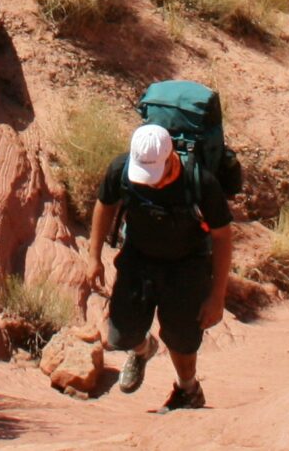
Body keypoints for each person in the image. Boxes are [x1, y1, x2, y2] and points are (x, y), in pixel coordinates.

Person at [83, 121, 235, 410]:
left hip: (188, 265)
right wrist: (93, 256)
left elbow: (223, 236)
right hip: (138, 259)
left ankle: (187, 390)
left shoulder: (200, 182)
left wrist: (217, 295)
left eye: (154, 172)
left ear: (170, 158)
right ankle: (144, 349)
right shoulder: (122, 169)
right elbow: (104, 204)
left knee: (182, 338)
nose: (148, 180)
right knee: (120, 334)